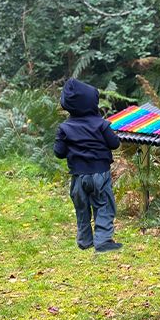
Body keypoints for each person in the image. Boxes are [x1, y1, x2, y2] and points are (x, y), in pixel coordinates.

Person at [54, 78, 123, 253]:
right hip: (100, 174)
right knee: (104, 206)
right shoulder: (101, 124)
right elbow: (114, 144)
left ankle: (84, 241)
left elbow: (59, 153)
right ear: (92, 102)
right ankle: (102, 241)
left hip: (78, 177)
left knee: (82, 209)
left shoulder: (64, 128)